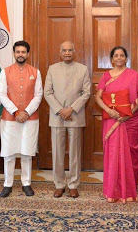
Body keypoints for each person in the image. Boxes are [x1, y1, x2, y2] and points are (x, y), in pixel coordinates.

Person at [95, 46, 138, 203]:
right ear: (111, 59)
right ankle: (111, 191)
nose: (119, 58)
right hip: (111, 121)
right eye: (116, 55)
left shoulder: (134, 76)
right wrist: (109, 111)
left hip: (129, 121)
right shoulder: (106, 76)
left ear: (126, 58)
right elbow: (98, 97)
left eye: (122, 55)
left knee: (130, 156)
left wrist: (127, 114)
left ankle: (129, 191)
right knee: (112, 155)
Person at [44, 41, 91, 199]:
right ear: (60, 52)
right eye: (64, 50)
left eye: (70, 50)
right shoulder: (52, 69)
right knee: (57, 152)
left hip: (75, 115)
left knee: (74, 152)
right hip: (57, 116)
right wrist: (60, 110)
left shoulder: (82, 69)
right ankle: (59, 184)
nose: (67, 52)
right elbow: (47, 92)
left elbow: (86, 92)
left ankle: (73, 184)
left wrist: (71, 109)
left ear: (74, 51)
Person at [0, 41, 43, 198]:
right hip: (10, 118)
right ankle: (7, 184)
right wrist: (16, 111)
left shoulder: (36, 72)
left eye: (23, 52)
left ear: (28, 54)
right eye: (18, 52)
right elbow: (2, 94)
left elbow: (38, 95)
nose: (20, 54)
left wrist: (27, 112)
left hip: (30, 119)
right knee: (9, 153)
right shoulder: (5, 72)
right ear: (14, 53)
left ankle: (26, 183)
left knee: (26, 152)